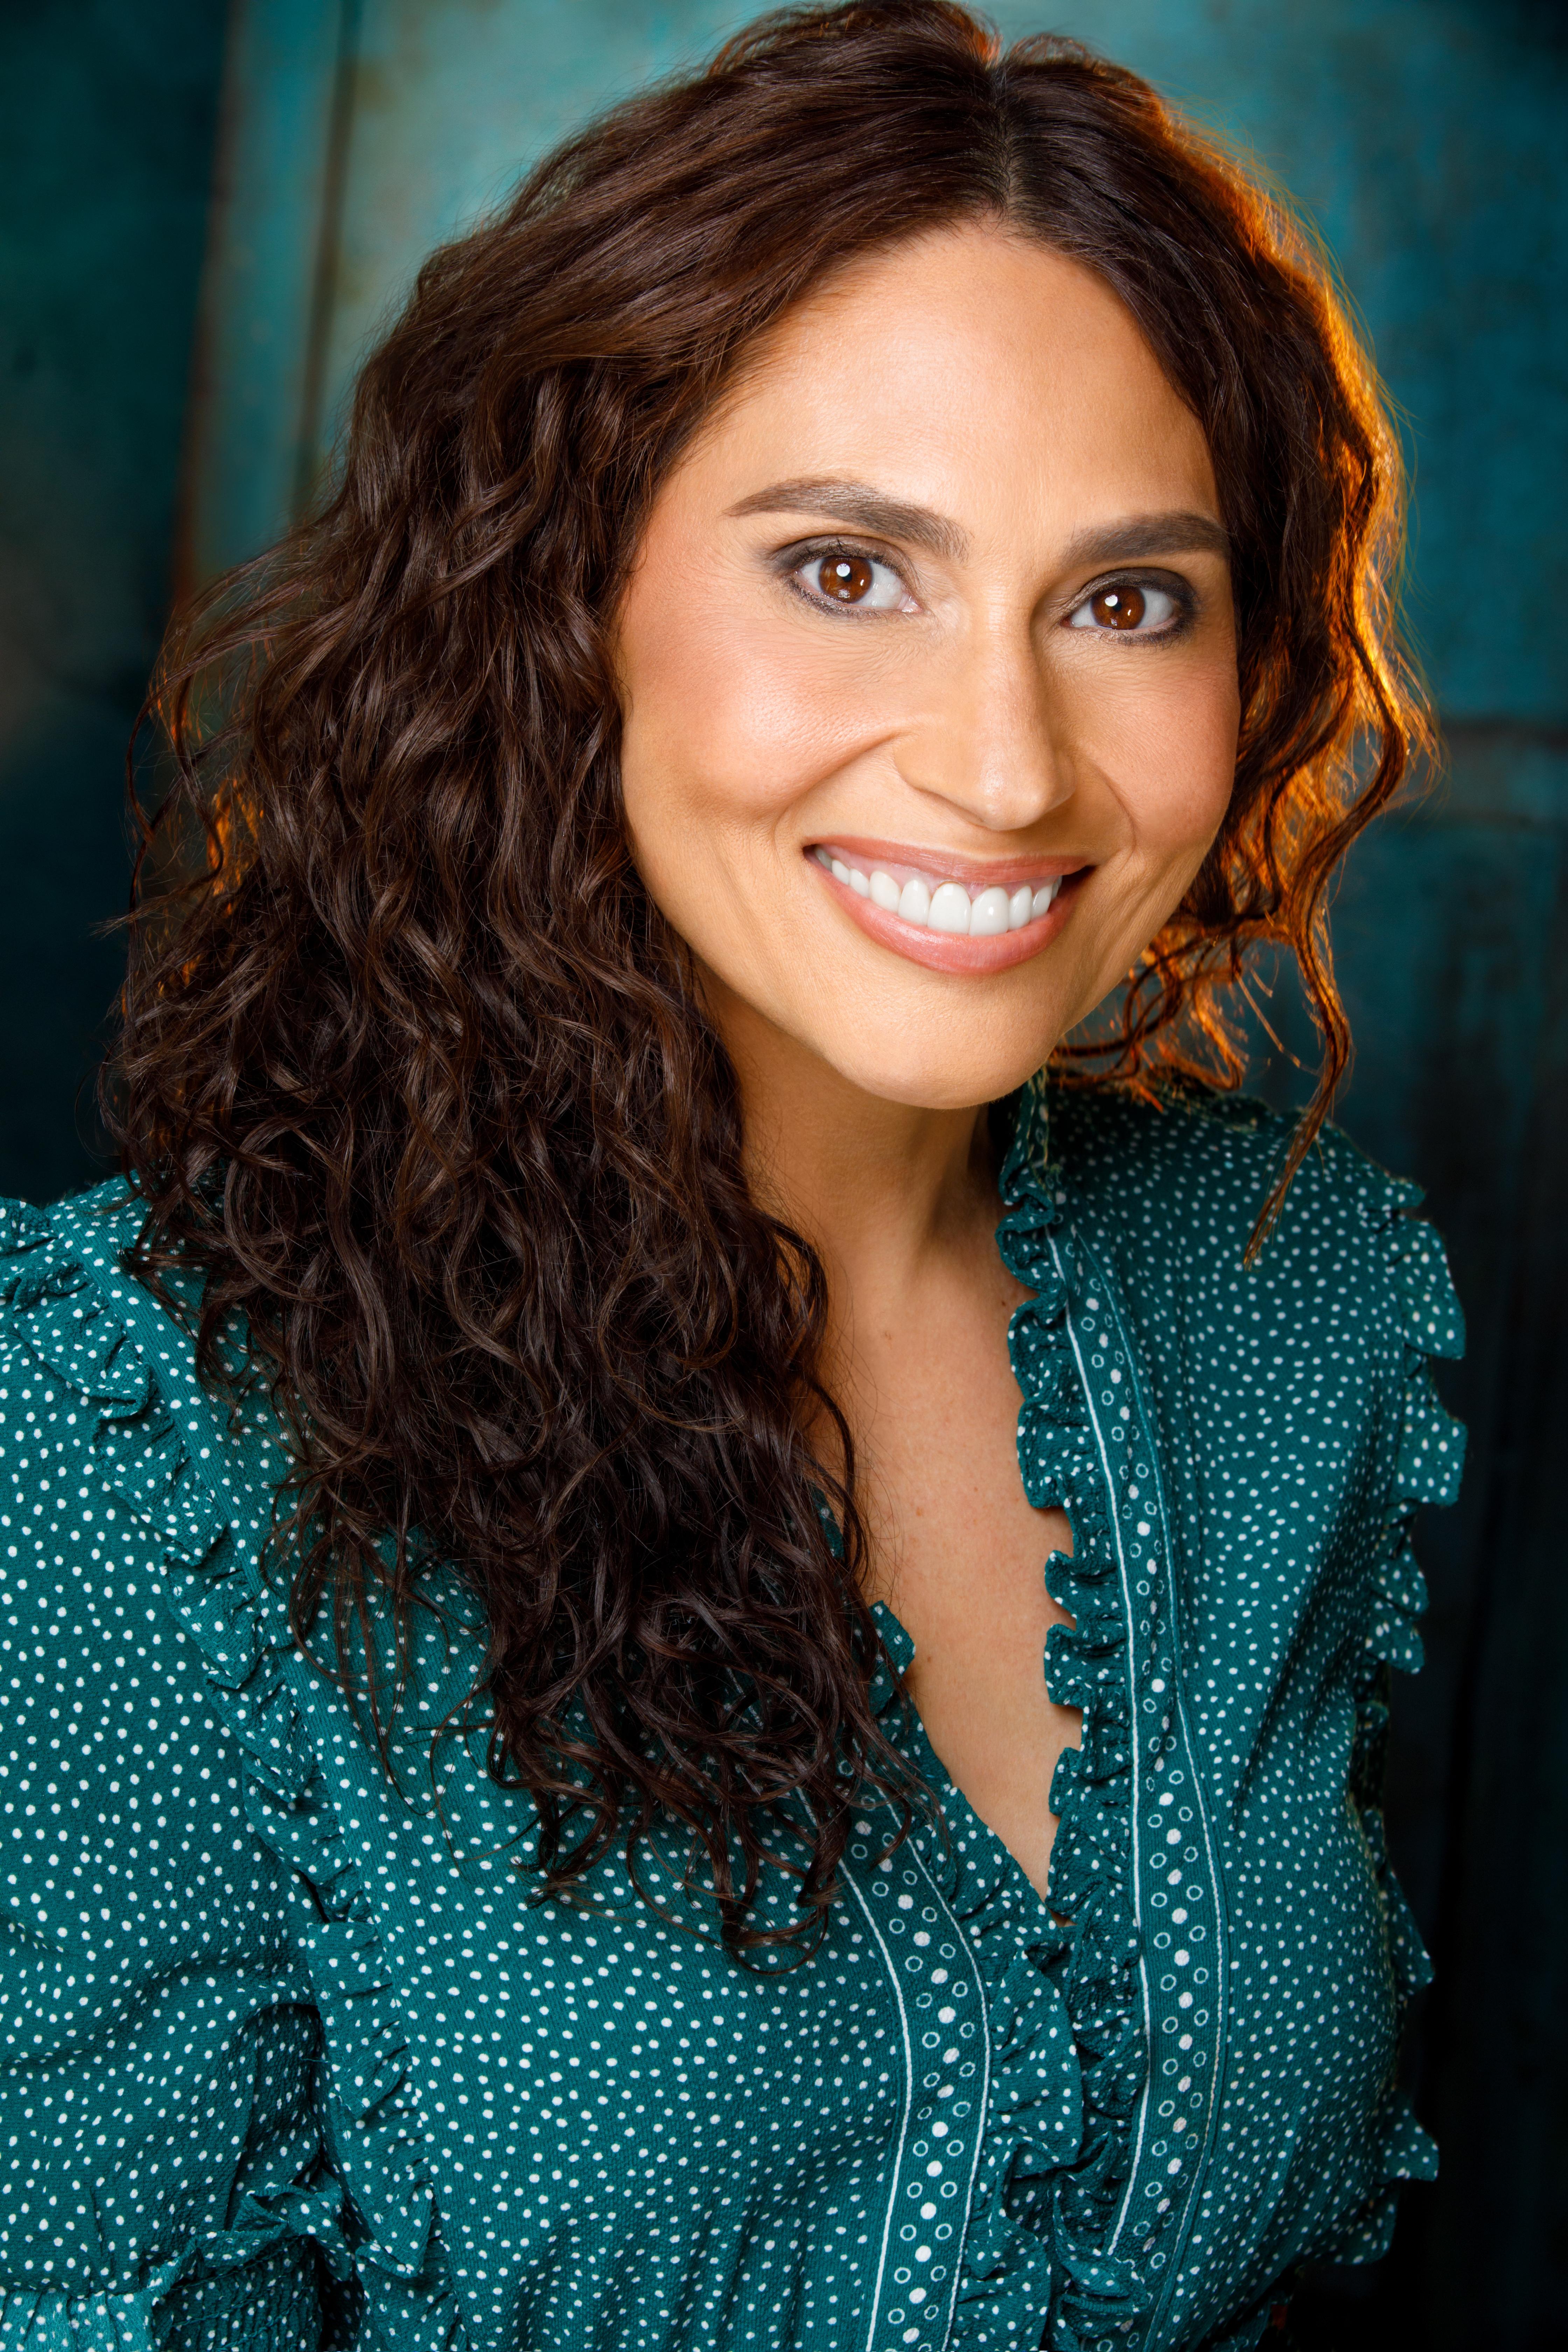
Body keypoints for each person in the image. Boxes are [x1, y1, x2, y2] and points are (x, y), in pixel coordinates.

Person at [0, 5, 1465, 2347]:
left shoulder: (1298, 1303)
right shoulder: (131, 1445)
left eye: (1125, 601)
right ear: (564, 598)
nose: (1006, 767)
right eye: (848, 570)